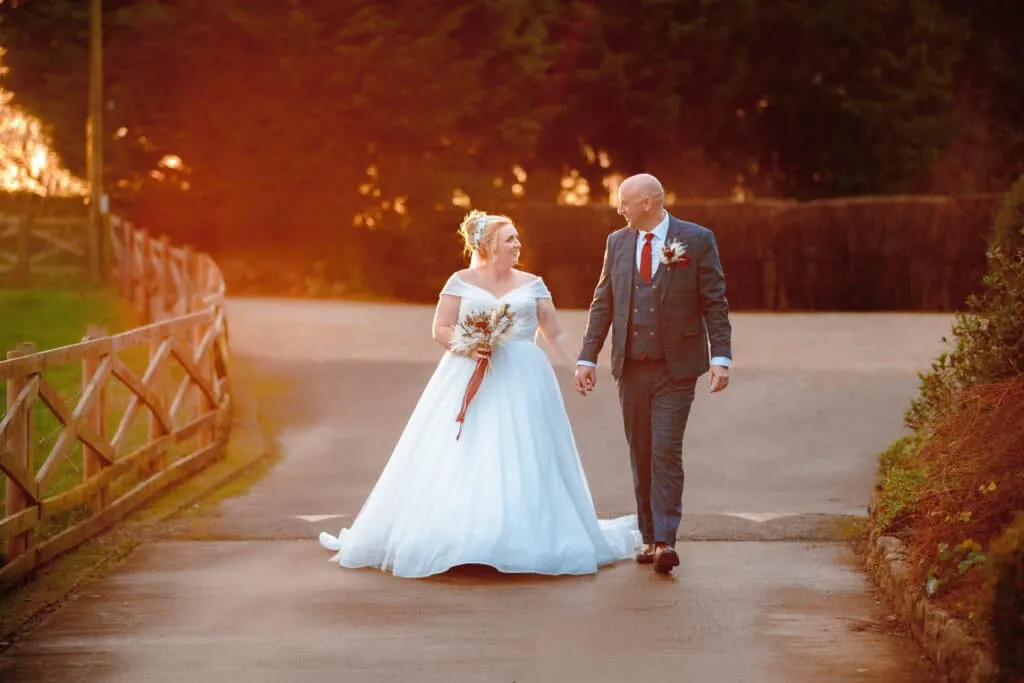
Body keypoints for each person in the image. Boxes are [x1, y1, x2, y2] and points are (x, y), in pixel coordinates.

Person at [319, 210, 640, 578]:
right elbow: (440, 327)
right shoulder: (460, 281)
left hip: (524, 376)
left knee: (524, 451)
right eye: (510, 239)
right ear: (489, 246)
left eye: (517, 238)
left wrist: (580, 366)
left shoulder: (533, 284)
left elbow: (556, 333)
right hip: (468, 369)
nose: (518, 244)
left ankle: (522, 537)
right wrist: (468, 346)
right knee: (467, 447)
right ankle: (462, 539)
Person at [574, 173, 733, 574]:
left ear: (648, 202)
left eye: (624, 201)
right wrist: (587, 357)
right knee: (641, 450)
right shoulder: (618, 242)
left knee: (665, 450)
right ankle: (648, 537)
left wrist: (722, 357)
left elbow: (715, 302)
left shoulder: (696, 239)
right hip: (630, 366)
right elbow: (603, 303)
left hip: (677, 368)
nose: (619, 208)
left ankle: (665, 541)